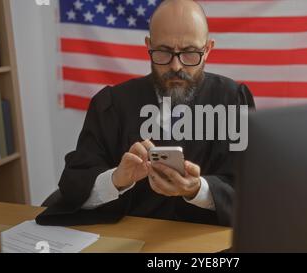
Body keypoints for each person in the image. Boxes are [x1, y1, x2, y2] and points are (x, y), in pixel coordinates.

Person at [36, 0, 254, 227]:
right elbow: (73, 183)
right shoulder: (112, 104)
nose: (176, 66)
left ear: (207, 49)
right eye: (164, 52)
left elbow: (251, 190)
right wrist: (116, 180)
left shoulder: (232, 101)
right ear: (148, 46)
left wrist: (200, 189)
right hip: (128, 240)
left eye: (190, 53)